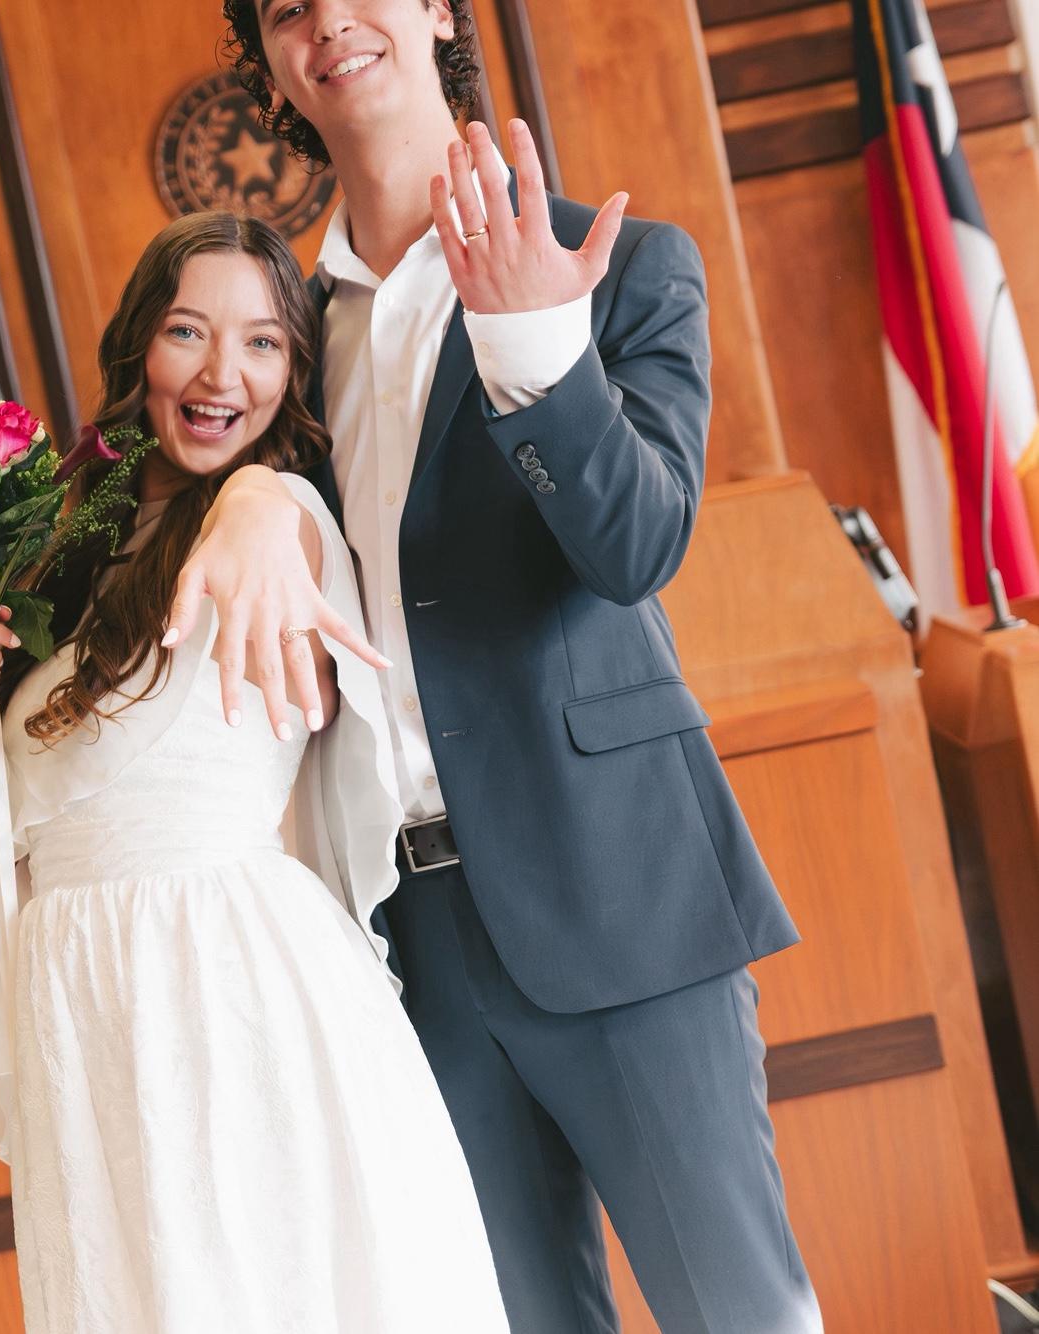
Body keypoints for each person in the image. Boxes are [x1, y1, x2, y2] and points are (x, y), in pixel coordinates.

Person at [158, 2, 825, 1330]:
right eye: (284, 8)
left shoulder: (622, 267)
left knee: (739, 1312)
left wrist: (535, 351)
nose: (325, 19)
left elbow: (634, 546)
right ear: (271, 61)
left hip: (617, 891)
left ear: (438, 12)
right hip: (404, 939)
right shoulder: (279, 338)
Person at [0, 210, 510, 1333]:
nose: (222, 373)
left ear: (294, 370)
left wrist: (256, 495)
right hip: (80, 997)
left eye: (263, 342)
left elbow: (275, 531)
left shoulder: (275, 514)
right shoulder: (66, 555)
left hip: (221, 980)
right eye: (188, 330)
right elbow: (4, 870)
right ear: (139, 342)